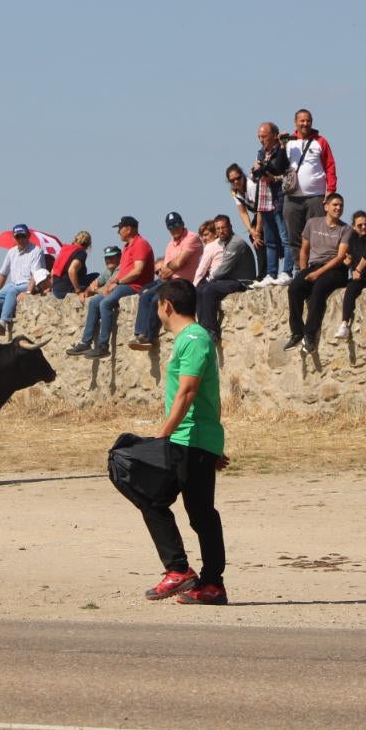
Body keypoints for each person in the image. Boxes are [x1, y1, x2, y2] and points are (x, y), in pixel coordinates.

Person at [133, 278, 229, 606]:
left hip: (188, 438)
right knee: (172, 504)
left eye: (158, 305)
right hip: (193, 438)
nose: (158, 310)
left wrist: (163, 434)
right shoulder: (189, 339)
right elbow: (209, 395)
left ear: (166, 306)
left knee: (183, 507)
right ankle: (194, 578)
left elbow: (188, 391)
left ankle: (196, 578)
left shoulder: (194, 338)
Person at [68, 216, 154, 359]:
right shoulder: (127, 247)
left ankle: (103, 346)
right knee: (95, 302)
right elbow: (122, 271)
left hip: (135, 286)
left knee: (106, 303)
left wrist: (118, 282)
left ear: (129, 228)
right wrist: (110, 284)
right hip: (123, 284)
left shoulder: (140, 244)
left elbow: (138, 270)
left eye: (120, 228)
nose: (118, 232)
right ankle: (85, 342)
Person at [284, 193, 350, 353]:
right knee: (294, 288)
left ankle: (310, 335)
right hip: (314, 266)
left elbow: (341, 257)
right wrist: (303, 271)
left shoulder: (346, 229)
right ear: (326, 206)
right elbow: (304, 250)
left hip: (335, 269)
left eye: (341, 205)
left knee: (319, 289)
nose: (338, 208)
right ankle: (297, 332)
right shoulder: (312, 224)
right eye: (335, 204)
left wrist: (317, 273)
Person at [128, 212, 203, 350]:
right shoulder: (170, 244)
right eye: (170, 226)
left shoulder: (192, 238)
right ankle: (140, 334)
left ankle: (150, 337)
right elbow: (164, 271)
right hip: (169, 281)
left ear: (182, 223)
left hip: (183, 282)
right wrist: (171, 267)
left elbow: (179, 262)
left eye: (176, 224)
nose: (174, 228)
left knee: (157, 299)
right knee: (145, 295)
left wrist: (171, 267)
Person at [282, 109, 338, 275]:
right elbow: (278, 164)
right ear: (295, 122)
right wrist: (280, 144)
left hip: (316, 196)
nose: (305, 124)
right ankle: (300, 269)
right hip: (292, 197)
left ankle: (317, 268)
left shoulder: (320, 141)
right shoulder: (288, 143)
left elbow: (330, 166)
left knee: (317, 234)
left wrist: (331, 191)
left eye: (308, 121)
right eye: (302, 121)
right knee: (294, 236)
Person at [0, 226, 46, 345]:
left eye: (23, 236)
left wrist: (28, 292)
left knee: (12, 292)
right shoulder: (11, 252)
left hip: (30, 284)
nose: (20, 239)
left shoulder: (36, 251)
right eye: (18, 237)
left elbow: (35, 274)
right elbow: (3, 274)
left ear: (28, 236)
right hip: (14, 284)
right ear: (14, 238)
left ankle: (3, 323)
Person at [195, 215, 258, 342]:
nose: (220, 231)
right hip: (230, 279)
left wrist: (208, 279)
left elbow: (223, 269)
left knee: (208, 290)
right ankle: (202, 328)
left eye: (223, 228)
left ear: (230, 227)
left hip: (242, 282)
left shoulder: (236, 243)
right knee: (200, 290)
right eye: (217, 229)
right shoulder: (224, 242)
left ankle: (212, 331)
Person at [248, 122, 292, 285]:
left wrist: (282, 144)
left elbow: (281, 169)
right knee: (270, 240)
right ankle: (271, 274)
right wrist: (258, 169)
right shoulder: (261, 153)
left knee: (285, 238)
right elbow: (254, 174)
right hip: (264, 200)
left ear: (274, 135)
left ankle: (287, 271)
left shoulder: (282, 150)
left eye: (264, 136)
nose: (261, 140)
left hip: (278, 199)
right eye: (259, 136)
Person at [49, 232, 94, 299]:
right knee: (96, 276)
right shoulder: (81, 252)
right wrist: (78, 291)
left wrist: (53, 288)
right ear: (88, 245)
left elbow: (53, 272)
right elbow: (71, 270)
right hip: (67, 290)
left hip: (56, 291)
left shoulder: (64, 250)